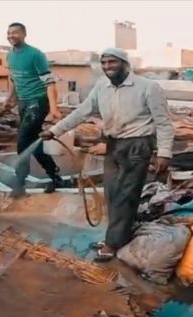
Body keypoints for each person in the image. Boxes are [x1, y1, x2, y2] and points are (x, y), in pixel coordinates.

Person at [40, 48, 174, 262]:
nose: (107, 66)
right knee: (112, 195)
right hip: (113, 145)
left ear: (125, 64)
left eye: (112, 62)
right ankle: (117, 238)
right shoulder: (102, 86)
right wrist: (55, 131)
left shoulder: (148, 87)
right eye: (104, 63)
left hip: (138, 146)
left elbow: (164, 123)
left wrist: (164, 153)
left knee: (125, 196)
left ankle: (112, 244)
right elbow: (81, 112)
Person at [2, 22, 65, 193]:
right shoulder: (10, 56)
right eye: (8, 33)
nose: (11, 36)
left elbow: (50, 83)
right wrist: (10, 99)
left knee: (22, 142)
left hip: (37, 102)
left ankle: (19, 183)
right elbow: (14, 79)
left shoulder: (36, 55)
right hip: (23, 103)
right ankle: (55, 177)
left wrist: (53, 109)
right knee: (32, 141)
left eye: (15, 32)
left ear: (24, 34)